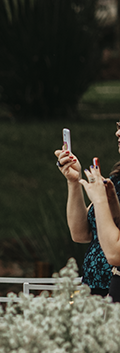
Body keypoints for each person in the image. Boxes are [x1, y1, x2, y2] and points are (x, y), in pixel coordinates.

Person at [56, 126, 120, 298]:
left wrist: (100, 201)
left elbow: (115, 253)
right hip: (93, 285)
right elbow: (81, 234)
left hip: (114, 285)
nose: (117, 133)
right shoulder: (116, 180)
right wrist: (74, 181)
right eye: (118, 127)